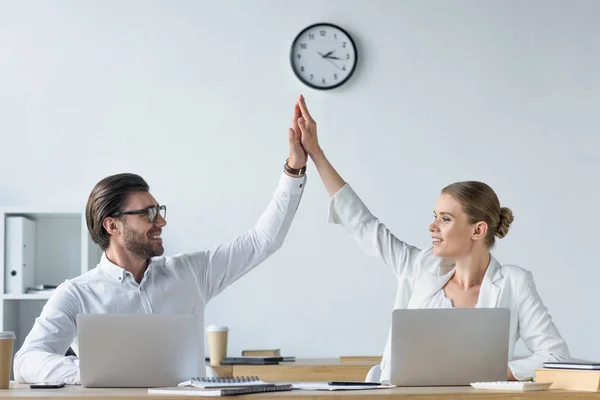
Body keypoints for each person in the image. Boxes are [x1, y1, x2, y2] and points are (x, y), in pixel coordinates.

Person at [13, 105, 308, 385]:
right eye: (148, 214)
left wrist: (294, 169)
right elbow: (26, 361)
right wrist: (94, 371)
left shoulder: (191, 272)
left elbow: (263, 241)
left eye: (159, 211)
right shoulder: (76, 295)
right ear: (112, 225)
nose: (161, 222)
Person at [291, 95, 569, 382]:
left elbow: (556, 356)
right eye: (435, 215)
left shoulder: (513, 282)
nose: (432, 226)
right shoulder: (418, 266)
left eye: (445, 219)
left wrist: (501, 373)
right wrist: (316, 154)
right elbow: (361, 223)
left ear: (478, 230)